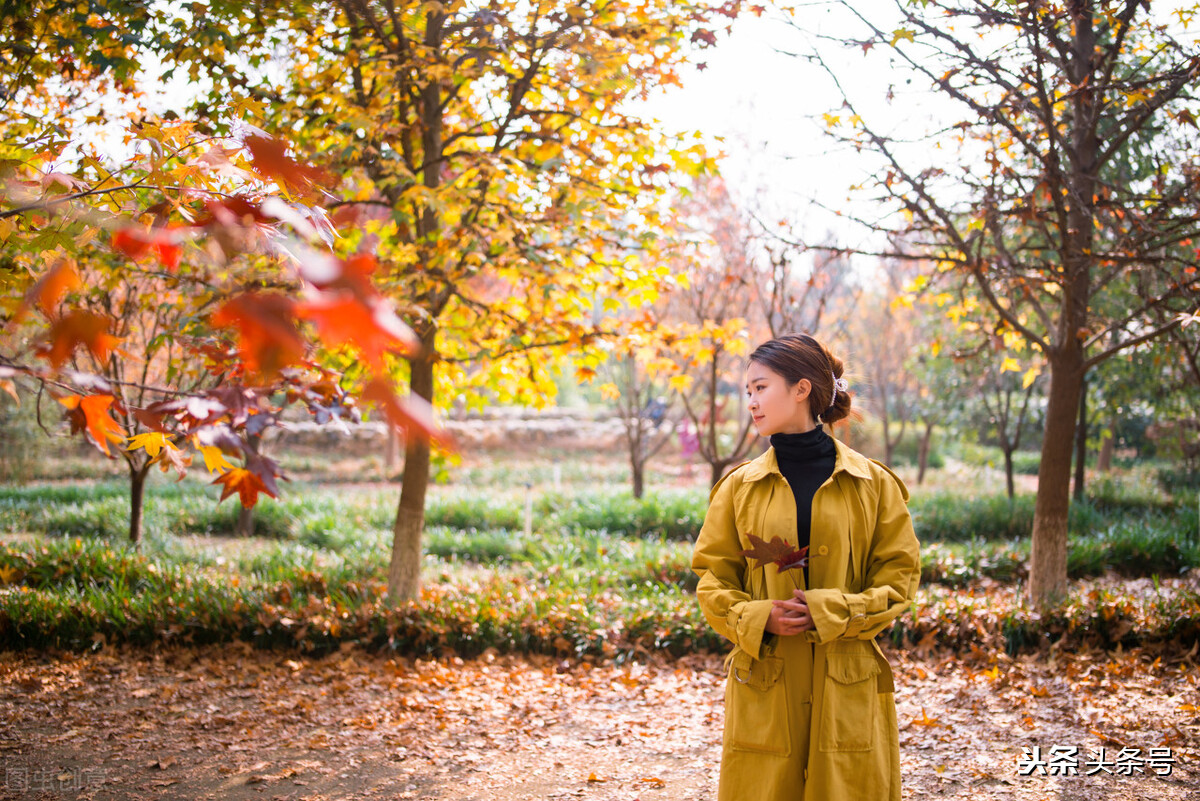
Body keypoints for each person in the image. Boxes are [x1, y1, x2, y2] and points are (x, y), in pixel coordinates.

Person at [691, 333, 920, 801]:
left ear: (801, 389)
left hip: (847, 679)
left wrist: (833, 611)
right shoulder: (739, 488)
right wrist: (757, 617)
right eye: (747, 391)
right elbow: (713, 579)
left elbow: (898, 580)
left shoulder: (872, 484)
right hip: (766, 678)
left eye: (760, 387)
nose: (750, 402)